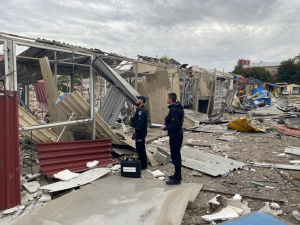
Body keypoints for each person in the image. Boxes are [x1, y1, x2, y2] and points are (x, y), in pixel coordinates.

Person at [161, 93, 184, 185]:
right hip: (177, 135)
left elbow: (175, 125)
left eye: (167, 98)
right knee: (176, 155)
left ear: (171, 99)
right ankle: (177, 175)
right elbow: (170, 118)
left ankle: (177, 179)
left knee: (175, 157)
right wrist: (166, 120)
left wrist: (165, 128)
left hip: (175, 135)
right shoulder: (176, 108)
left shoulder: (174, 110)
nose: (166, 99)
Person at [133, 96, 148, 170]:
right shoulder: (140, 109)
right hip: (141, 131)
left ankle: (143, 165)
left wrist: (137, 131)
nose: (137, 100)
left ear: (141, 101)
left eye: (138, 99)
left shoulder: (141, 111)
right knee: (139, 147)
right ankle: (141, 162)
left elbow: (140, 122)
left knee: (140, 148)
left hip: (140, 132)